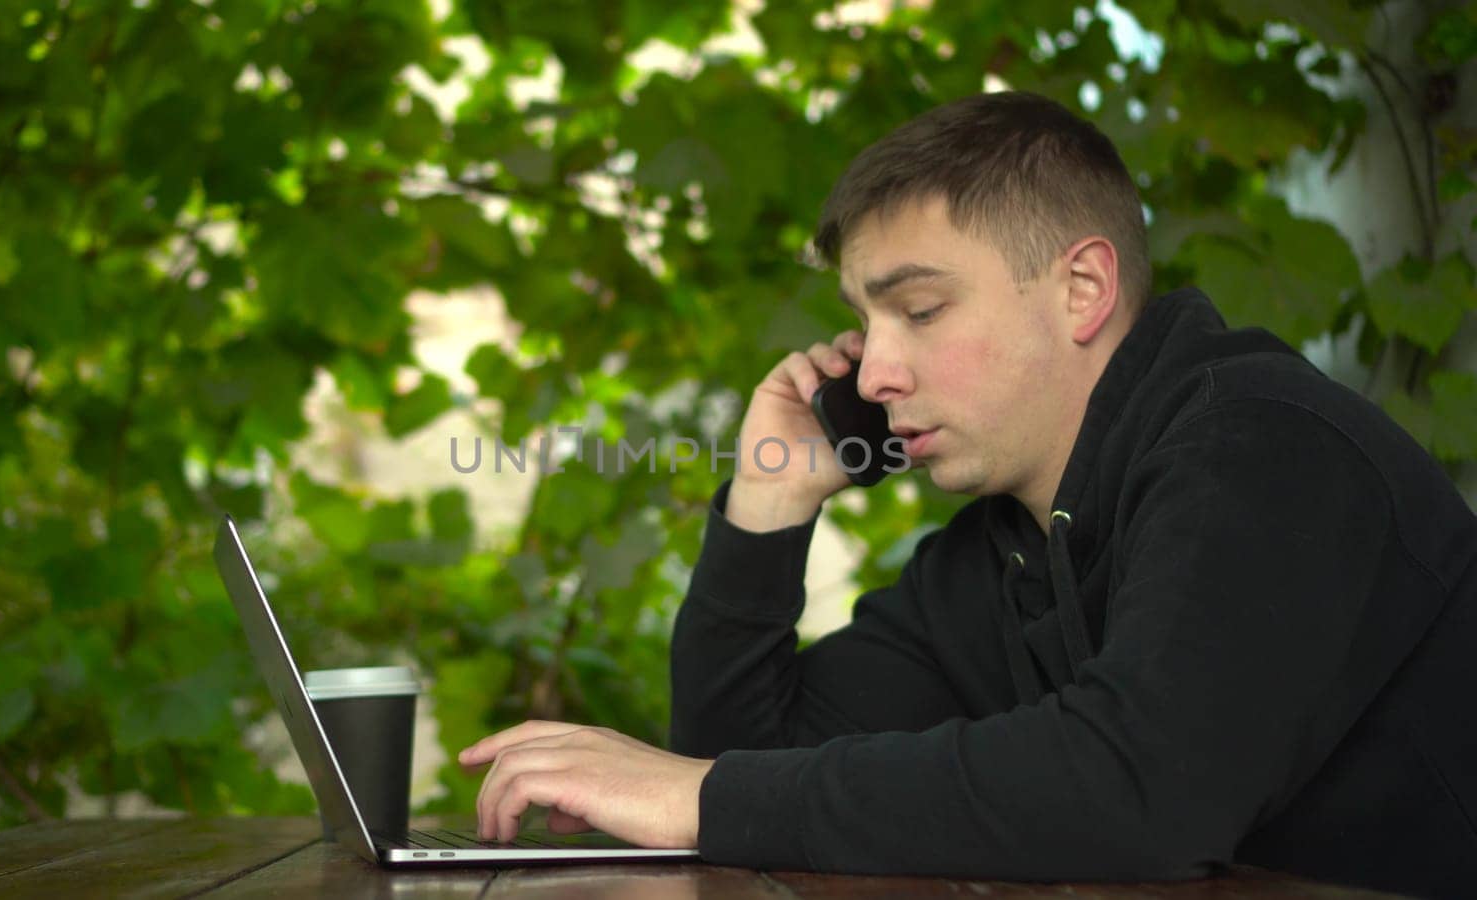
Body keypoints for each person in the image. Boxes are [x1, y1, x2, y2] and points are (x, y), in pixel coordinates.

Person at [456, 91, 1477, 898]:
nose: (871, 375)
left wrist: (706, 797)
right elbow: (740, 771)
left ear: (1081, 290)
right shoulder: (1002, 553)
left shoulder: (1263, 445)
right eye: (866, 319)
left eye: (920, 309)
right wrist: (773, 499)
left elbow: (1144, 790)